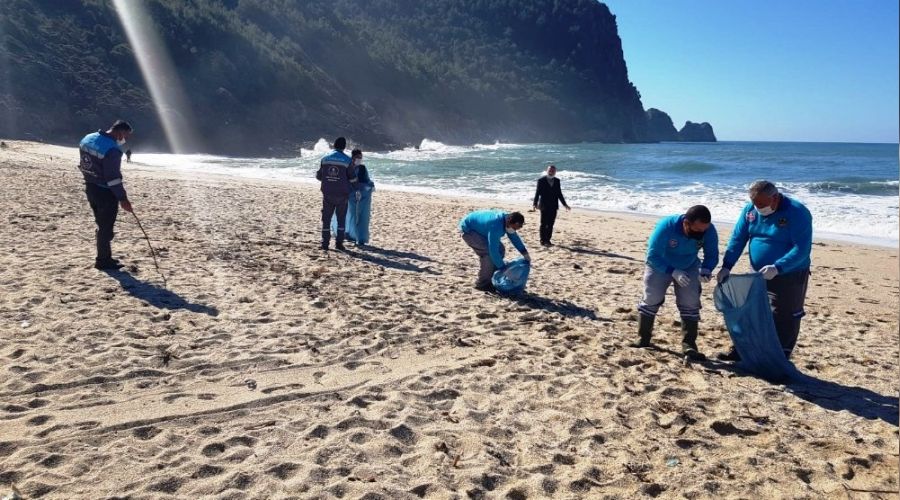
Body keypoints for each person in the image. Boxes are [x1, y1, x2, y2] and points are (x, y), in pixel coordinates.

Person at [716, 180, 812, 361]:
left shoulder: (797, 212)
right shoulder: (750, 211)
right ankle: (741, 349)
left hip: (789, 273)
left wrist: (779, 267)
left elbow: (802, 249)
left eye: (761, 204)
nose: (758, 208)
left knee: (785, 314)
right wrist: (727, 266)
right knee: (749, 309)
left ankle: (781, 355)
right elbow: (738, 239)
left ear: (774, 198)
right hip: (758, 271)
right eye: (754, 203)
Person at [633, 205, 719, 361]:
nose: (700, 234)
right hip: (661, 264)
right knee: (651, 298)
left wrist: (706, 269)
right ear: (686, 223)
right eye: (696, 230)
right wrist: (672, 271)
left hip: (690, 264)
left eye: (703, 231)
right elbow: (652, 256)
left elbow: (712, 254)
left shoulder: (709, 230)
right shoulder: (666, 227)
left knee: (690, 302)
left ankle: (689, 346)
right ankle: (643, 338)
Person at [77, 120, 134, 270]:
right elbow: (113, 178)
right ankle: (102, 260)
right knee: (106, 227)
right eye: (125, 136)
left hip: (90, 187)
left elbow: (83, 163)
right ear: (119, 132)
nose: (124, 140)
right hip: (105, 192)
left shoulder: (88, 138)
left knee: (101, 224)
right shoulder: (112, 150)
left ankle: (105, 256)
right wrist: (123, 199)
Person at [459, 210, 530, 291]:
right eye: (514, 228)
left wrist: (524, 253)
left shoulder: (508, 220)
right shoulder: (496, 226)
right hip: (468, 230)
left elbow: (514, 237)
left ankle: (492, 277)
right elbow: (493, 251)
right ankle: (482, 284)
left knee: (501, 250)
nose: (514, 230)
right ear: (509, 222)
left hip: (481, 229)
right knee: (488, 255)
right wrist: (503, 269)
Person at [316, 137, 356, 251]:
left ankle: (325, 244)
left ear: (334, 145)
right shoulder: (347, 160)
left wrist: (329, 180)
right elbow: (353, 178)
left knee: (326, 219)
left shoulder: (325, 158)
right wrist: (356, 188)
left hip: (327, 193)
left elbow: (319, 176)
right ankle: (339, 243)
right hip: (342, 194)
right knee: (341, 219)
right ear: (344, 147)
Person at [334, 149, 375, 246]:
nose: (359, 159)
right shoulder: (348, 167)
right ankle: (349, 233)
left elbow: (366, 180)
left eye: (361, 157)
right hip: (349, 194)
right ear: (352, 158)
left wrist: (371, 186)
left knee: (360, 215)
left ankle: (359, 237)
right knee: (350, 213)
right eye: (358, 157)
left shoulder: (362, 168)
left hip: (360, 194)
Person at [532, 165, 570, 246]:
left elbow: (559, 194)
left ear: (555, 172)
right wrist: (535, 203)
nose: (551, 172)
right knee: (543, 223)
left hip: (553, 206)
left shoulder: (557, 181)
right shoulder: (541, 180)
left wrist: (565, 204)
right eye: (550, 170)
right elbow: (537, 193)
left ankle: (548, 240)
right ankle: (542, 240)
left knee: (551, 224)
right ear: (547, 170)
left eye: (553, 171)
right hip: (544, 205)